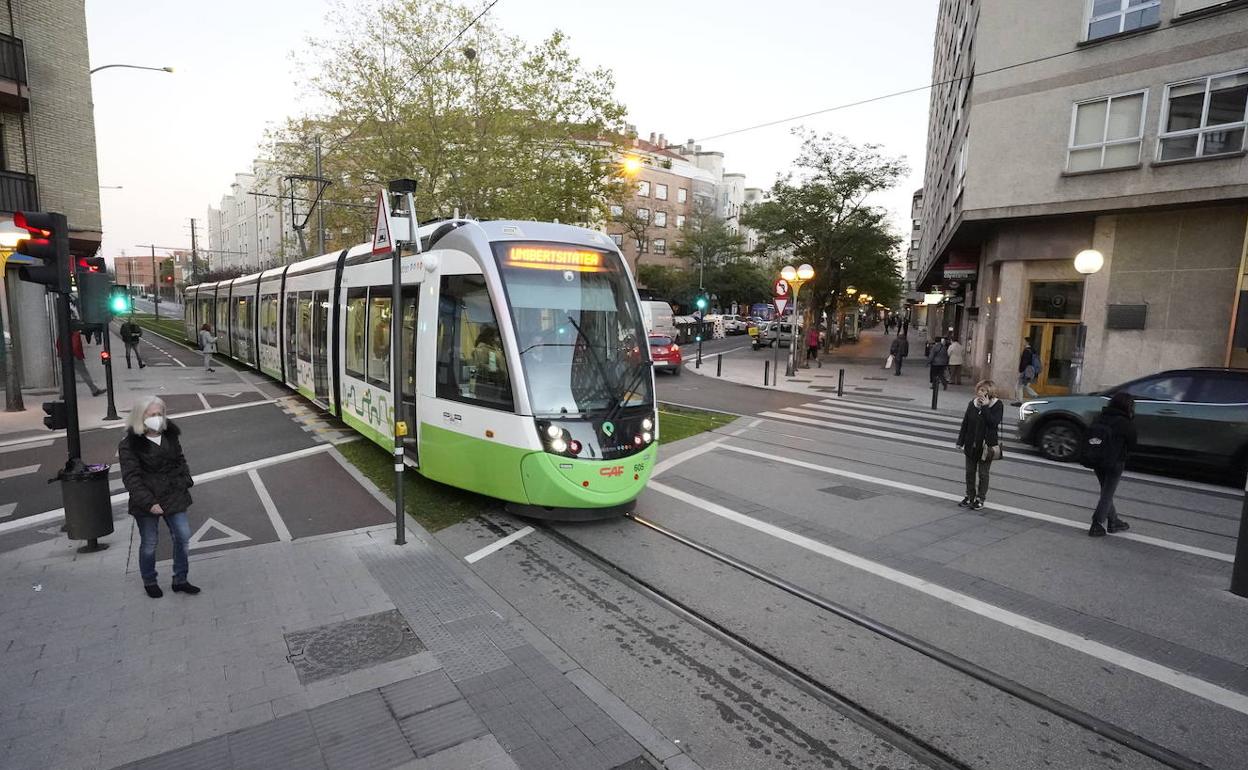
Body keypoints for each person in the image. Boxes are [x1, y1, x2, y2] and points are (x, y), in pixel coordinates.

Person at [118, 396, 199, 598]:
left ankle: (180, 579)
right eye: (152, 414)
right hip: (148, 500)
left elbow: (180, 460)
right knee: (149, 543)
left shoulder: (169, 435)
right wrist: (149, 503)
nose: (157, 418)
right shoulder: (130, 444)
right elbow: (131, 478)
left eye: (160, 414)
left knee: (182, 537)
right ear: (140, 416)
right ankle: (149, 580)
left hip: (174, 494)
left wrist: (185, 480)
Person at [1087, 392, 1136, 537]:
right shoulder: (1125, 423)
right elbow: (1132, 443)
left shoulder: (1100, 417)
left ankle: (1114, 521)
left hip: (1097, 459)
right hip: (1115, 462)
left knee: (1106, 492)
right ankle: (1097, 524)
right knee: (1107, 493)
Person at [955, 380, 1003, 510]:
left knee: (983, 474)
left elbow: (993, 423)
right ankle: (970, 496)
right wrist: (960, 441)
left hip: (986, 447)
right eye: (979, 390)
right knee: (969, 472)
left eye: (984, 391)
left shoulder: (997, 405)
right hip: (971, 445)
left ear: (990, 393)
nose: (980, 393)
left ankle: (980, 498)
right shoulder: (972, 404)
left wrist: (986, 407)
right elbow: (965, 423)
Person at [56, 328, 105, 397]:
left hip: (64, 356)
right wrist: (79, 356)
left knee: (63, 375)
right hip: (74, 356)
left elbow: (58, 344)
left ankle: (62, 393)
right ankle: (94, 390)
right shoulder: (75, 334)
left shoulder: (62, 334)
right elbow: (76, 346)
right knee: (84, 373)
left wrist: (60, 355)